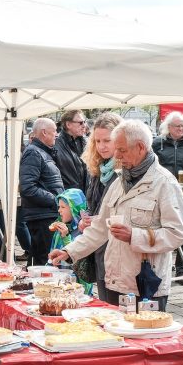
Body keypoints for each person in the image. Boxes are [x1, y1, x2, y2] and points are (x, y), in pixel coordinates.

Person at [50, 119, 183, 365]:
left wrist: (136, 235)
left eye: (122, 151)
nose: (117, 157)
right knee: (123, 350)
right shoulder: (119, 181)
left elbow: (177, 233)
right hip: (115, 279)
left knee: (150, 351)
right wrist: (69, 251)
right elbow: (99, 229)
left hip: (146, 283)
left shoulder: (164, 183)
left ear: (141, 147)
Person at [80, 112, 123, 300]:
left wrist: (96, 220)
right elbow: (94, 204)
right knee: (105, 302)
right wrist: (86, 220)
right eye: (97, 141)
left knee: (115, 306)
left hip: (117, 248)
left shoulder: (125, 171)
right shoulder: (98, 168)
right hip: (98, 245)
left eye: (107, 140)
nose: (102, 146)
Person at [153, 111, 183, 281]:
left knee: (182, 228)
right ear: (168, 127)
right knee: (159, 226)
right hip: (161, 191)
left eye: (182, 125)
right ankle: (159, 265)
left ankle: (181, 268)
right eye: (177, 126)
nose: (180, 129)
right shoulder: (158, 143)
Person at [20, 117, 64, 265]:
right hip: (42, 217)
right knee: (44, 262)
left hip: (46, 214)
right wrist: (55, 200)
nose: (56, 135)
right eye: (54, 131)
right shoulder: (34, 153)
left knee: (43, 260)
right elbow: (27, 187)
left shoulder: (42, 152)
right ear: (44, 132)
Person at [49, 188, 91, 291]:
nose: (59, 210)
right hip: (59, 283)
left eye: (63, 207)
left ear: (74, 208)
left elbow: (80, 262)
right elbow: (52, 255)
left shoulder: (84, 231)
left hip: (79, 287)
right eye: (59, 207)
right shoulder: (59, 230)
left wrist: (66, 237)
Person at [54, 109, 89, 192]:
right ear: (68, 124)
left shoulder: (87, 143)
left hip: (87, 196)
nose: (84, 125)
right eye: (80, 123)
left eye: (84, 122)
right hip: (69, 198)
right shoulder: (55, 145)